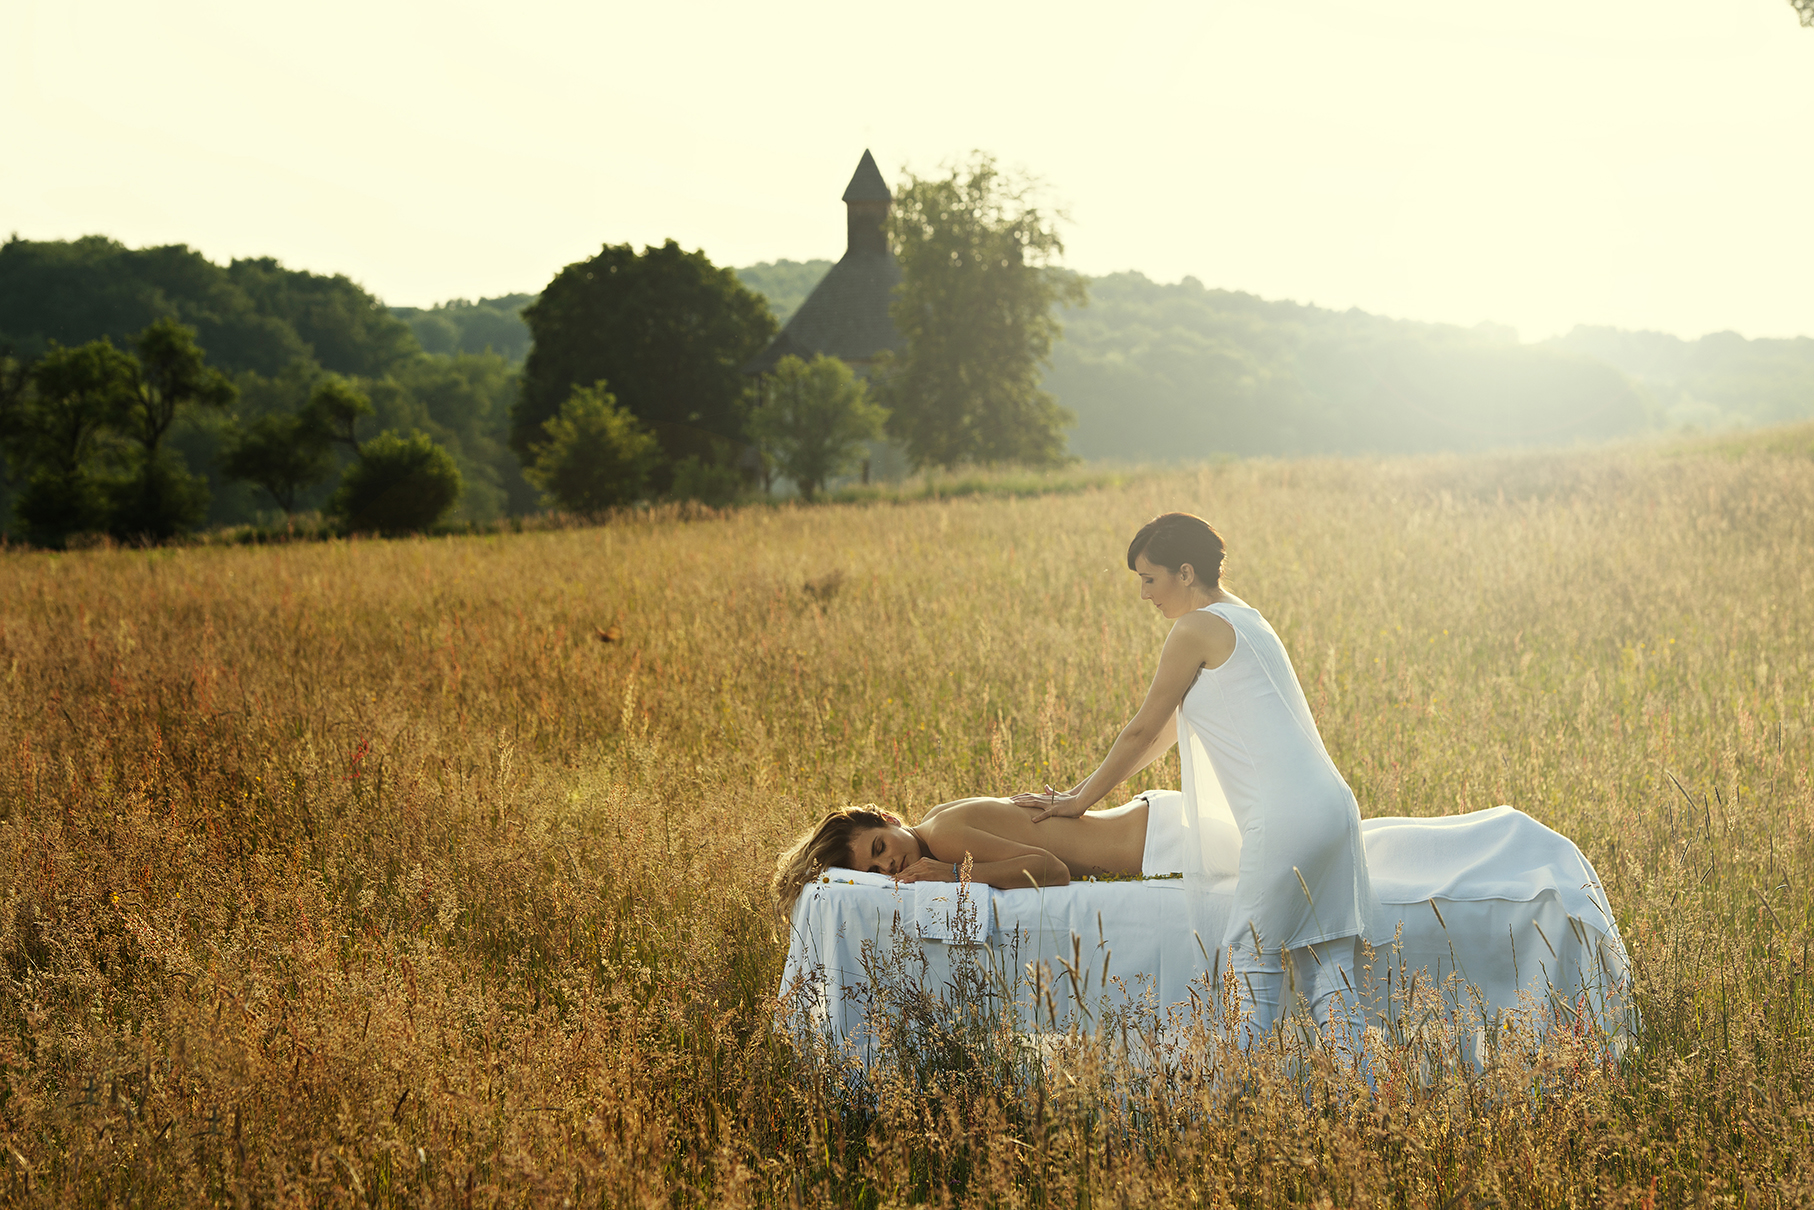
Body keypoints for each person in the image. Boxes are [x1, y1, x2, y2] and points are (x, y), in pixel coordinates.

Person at [1010, 512, 1381, 1047]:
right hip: (1332, 810)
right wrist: (1081, 794)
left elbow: (1140, 730)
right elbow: (1160, 735)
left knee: (1251, 965)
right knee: (1328, 974)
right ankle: (1364, 1094)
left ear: (1185, 572)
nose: (1144, 594)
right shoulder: (1247, 617)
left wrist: (1078, 800)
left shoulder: (1195, 628)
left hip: (1286, 820)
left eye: (1149, 579)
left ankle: (1236, 1099)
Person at [771, 792, 1188, 924]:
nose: (889, 866)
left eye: (880, 848)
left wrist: (954, 874)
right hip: (1149, 823)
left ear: (889, 819)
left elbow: (1053, 871)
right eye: (874, 871)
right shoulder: (935, 821)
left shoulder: (943, 838)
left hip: (1160, 840)